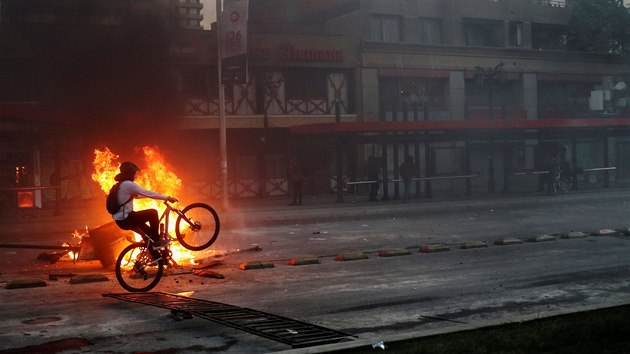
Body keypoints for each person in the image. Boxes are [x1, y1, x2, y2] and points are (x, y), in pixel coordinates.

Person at [111, 161, 178, 252]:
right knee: (153, 213)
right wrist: (167, 198)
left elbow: (140, 195)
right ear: (130, 173)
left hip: (121, 221)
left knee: (148, 235)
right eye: (134, 173)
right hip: (127, 218)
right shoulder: (128, 184)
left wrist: (157, 196)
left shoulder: (120, 185)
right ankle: (157, 240)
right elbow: (147, 193)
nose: (135, 175)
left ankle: (156, 257)